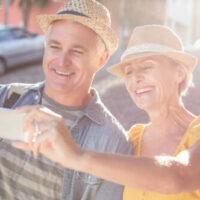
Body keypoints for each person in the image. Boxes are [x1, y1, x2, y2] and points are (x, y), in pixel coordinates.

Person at [14, 25, 200, 199]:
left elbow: (180, 176)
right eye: (129, 71)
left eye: (147, 66)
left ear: (179, 73)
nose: (136, 78)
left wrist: (76, 156)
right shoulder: (131, 140)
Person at [0, 0, 133, 199]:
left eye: (77, 51)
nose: (62, 61)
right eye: (55, 46)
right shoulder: (6, 97)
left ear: (101, 59)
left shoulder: (114, 144)